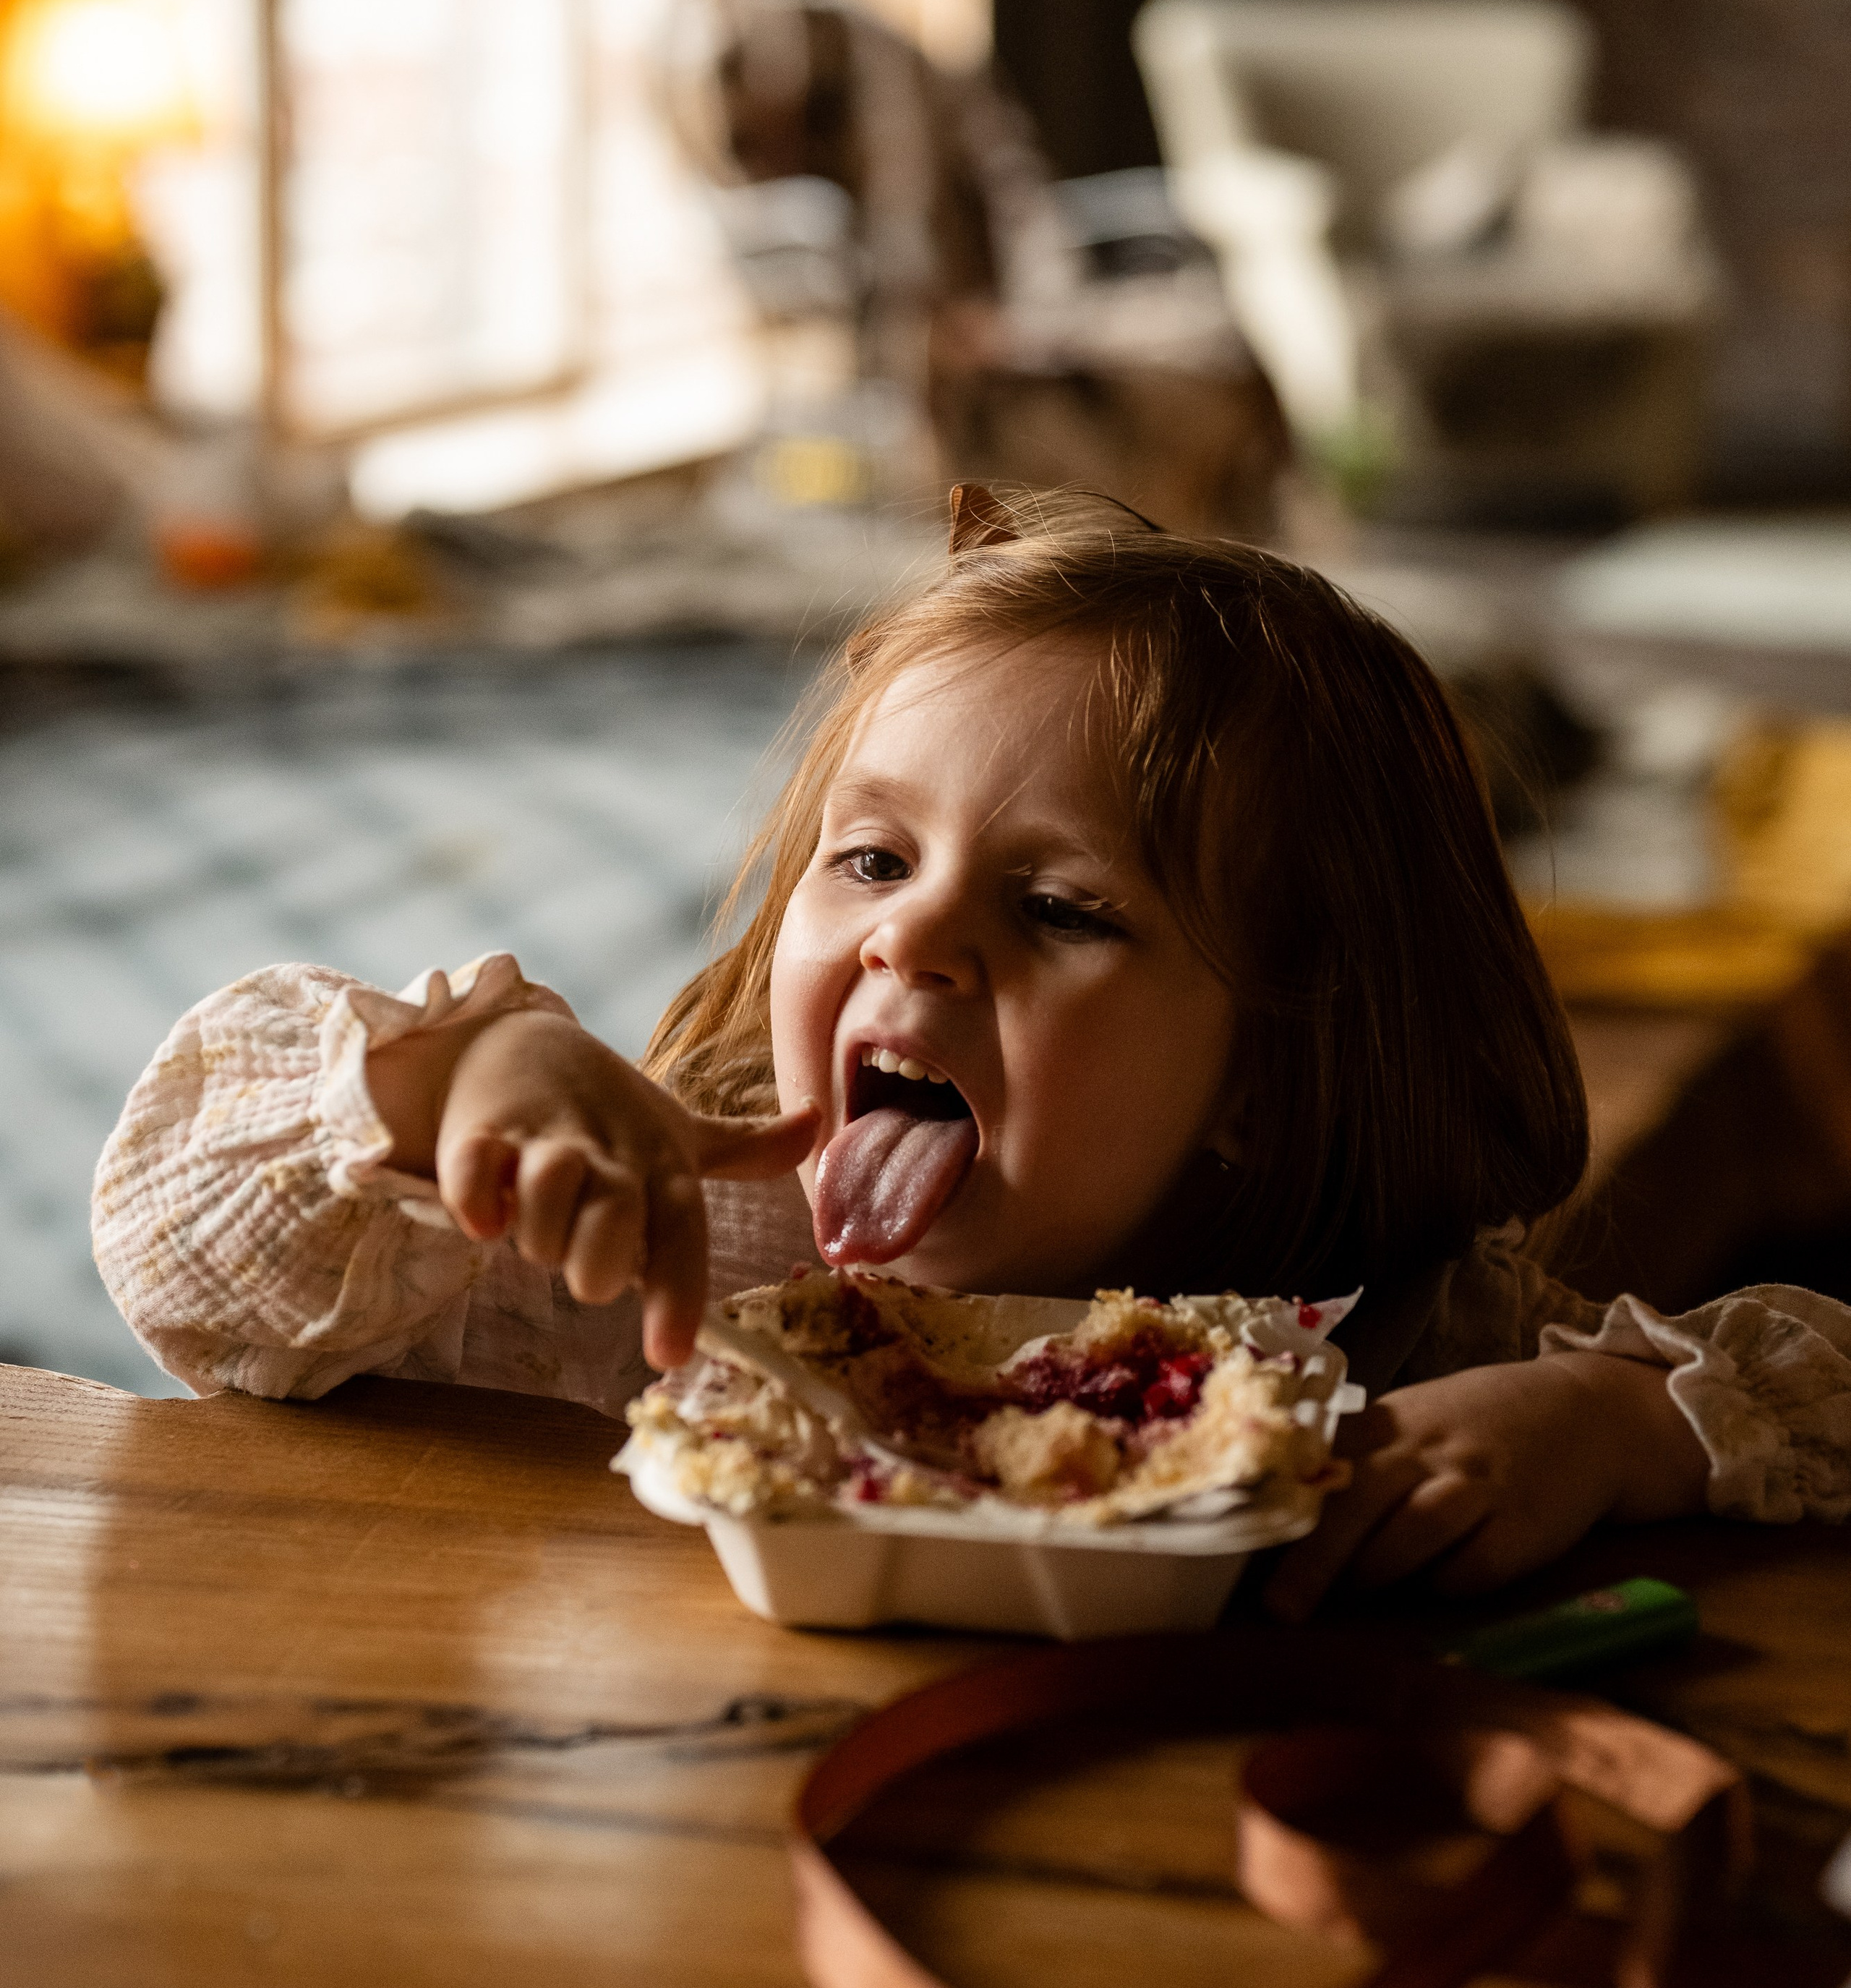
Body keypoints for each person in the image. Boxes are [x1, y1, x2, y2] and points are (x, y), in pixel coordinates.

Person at [93, 485, 1851, 1616]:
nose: (911, 936)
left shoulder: (1394, 1346)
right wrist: (460, 1079)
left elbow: (1815, 1396)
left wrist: (1611, 1424)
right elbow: (181, 1246)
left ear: (1264, 1075)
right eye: (867, 860)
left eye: (1064, 909)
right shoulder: (672, 1281)